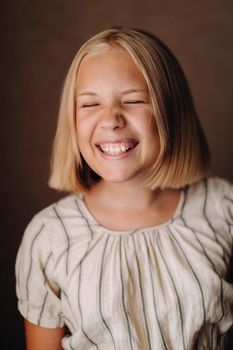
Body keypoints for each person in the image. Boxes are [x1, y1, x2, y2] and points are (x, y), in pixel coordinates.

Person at [15, 27, 233, 350]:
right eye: (90, 105)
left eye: (133, 100)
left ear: (170, 111)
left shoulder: (223, 208)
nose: (111, 119)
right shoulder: (48, 237)